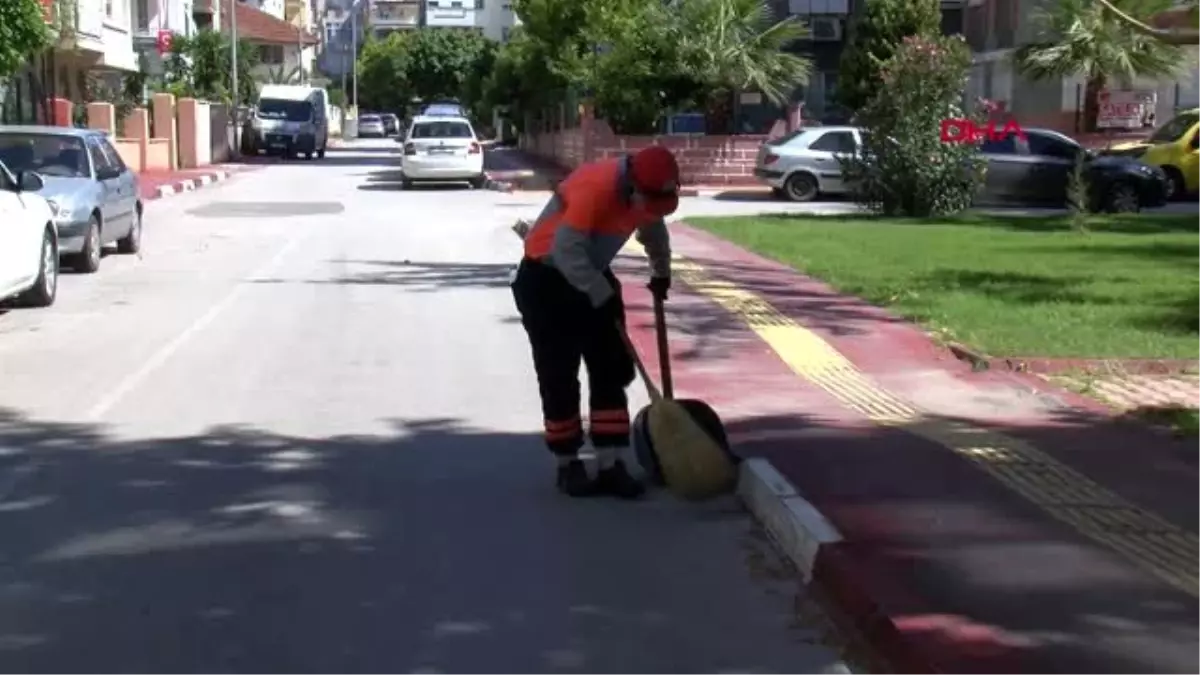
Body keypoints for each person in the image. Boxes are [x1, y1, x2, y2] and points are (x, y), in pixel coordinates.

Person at [511, 145, 679, 499]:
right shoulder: (595, 185)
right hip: (547, 278)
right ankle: (568, 463)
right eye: (646, 202)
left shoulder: (646, 190)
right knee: (559, 372)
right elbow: (565, 250)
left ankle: (610, 463)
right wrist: (599, 294)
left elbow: (653, 228)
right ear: (633, 184)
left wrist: (661, 271)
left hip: (591, 273)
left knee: (612, 368)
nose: (649, 211)